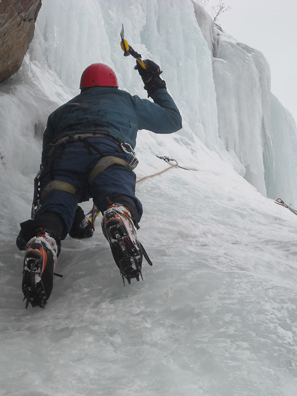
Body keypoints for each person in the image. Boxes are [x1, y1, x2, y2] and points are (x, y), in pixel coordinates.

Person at [16, 60, 182, 308]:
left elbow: (47, 167)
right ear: (112, 85)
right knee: (116, 194)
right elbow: (172, 120)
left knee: (57, 203)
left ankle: (43, 239)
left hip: (62, 159)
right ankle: (117, 214)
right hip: (107, 153)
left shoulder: (60, 113)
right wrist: (154, 84)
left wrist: (70, 216)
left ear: (83, 88)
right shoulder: (126, 100)